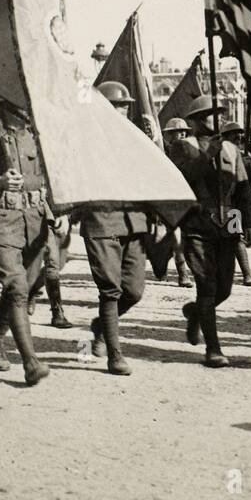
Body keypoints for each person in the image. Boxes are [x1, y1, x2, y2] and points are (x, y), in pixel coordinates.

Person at [0, 102, 54, 385]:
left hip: (35, 221)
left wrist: (55, 213)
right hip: (2, 220)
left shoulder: (36, 136)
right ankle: (30, 362)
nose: (25, 109)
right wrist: (0, 181)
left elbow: (47, 180)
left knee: (21, 290)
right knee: (16, 287)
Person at [165, 98, 251, 368]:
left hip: (227, 225)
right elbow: (185, 178)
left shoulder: (231, 149)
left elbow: (242, 189)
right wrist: (207, 155)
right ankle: (213, 349)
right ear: (195, 121)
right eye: (208, 115)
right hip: (197, 224)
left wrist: (247, 222)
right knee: (207, 285)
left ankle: (195, 314)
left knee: (224, 288)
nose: (214, 120)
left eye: (217, 115)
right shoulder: (183, 147)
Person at [76, 81, 154, 375]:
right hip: (102, 220)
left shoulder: (135, 139)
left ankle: (100, 325)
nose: (122, 111)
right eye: (116, 106)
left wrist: (156, 219)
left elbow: (150, 179)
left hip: (134, 220)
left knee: (133, 291)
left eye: (124, 106)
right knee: (110, 289)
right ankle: (114, 355)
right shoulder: (87, 141)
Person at [219, 118, 251, 287]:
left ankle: (247, 274)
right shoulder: (214, 154)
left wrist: (250, 223)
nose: (238, 137)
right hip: (213, 205)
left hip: (232, 206)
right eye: (233, 135)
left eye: (239, 135)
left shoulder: (245, 159)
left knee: (236, 239)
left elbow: (245, 190)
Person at [159, 117, 195, 288]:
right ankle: (183, 274)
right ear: (169, 135)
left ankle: (160, 260)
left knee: (182, 237)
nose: (181, 134)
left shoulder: (190, 150)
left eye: (184, 131)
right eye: (177, 131)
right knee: (176, 236)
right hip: (170, 199)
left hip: (188, 198)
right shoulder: (161, 152)